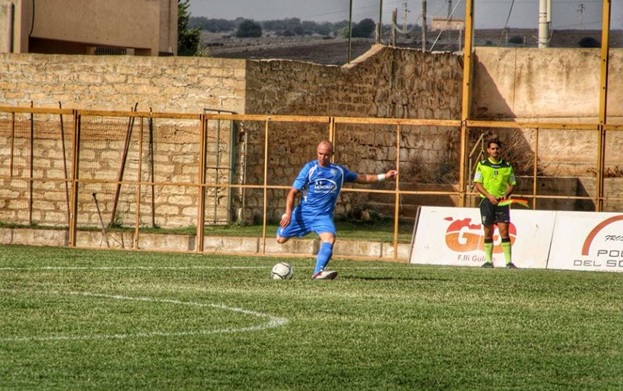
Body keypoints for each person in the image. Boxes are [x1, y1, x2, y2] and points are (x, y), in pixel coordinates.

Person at [276, 140, 398, 280]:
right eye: (320, 154)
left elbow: (362, 178)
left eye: (326, 155)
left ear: (332, 154)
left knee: (330, 238)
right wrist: (288, 214)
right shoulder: (309, 169)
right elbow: (292, 192)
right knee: (280, 239)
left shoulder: (339, 172)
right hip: (304, 213)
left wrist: (385, 176)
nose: (323, 157)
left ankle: (318, 272)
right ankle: (288, 232)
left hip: (323, 216)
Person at [473, 138, 518, 269]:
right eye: (492, 148)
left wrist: (506, 194)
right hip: (486, 201)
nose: (495, 151)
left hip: (502, 202)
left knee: (504, 231)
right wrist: (489, 196)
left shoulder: (507, 166)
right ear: (488, 150)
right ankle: (488, 261)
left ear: (501, 150)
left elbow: (513, 184)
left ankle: (509, 262)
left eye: (497, 148)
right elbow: (477, 184)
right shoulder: (482, 165)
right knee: (488, 231)